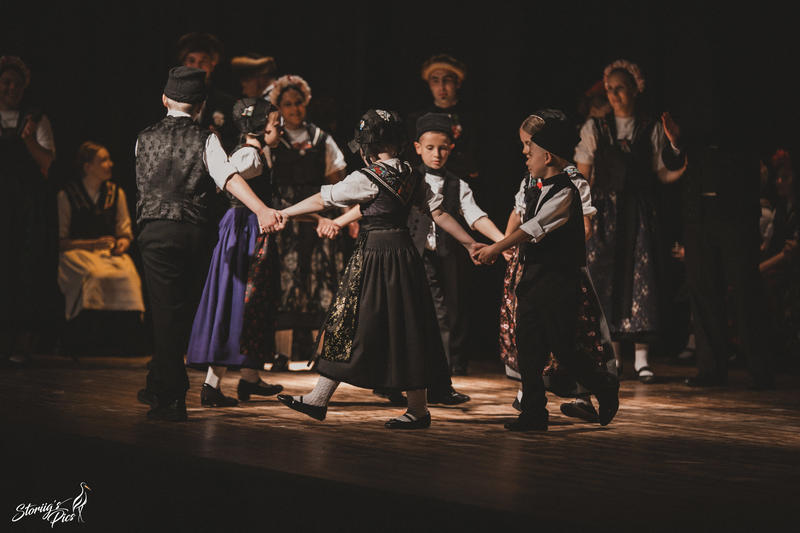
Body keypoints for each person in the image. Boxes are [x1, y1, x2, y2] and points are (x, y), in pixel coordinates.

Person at [276, 109, 485, 429]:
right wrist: (470, 243)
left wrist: (284, 213)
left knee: (349, 323)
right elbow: (439, 214)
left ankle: (320, 399)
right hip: (405, 259)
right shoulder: (412, 175)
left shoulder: (367, 177)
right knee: (409, 329)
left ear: (367, 146)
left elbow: (324, 198)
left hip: (375, 257)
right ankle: (417, 410)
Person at [135, 66, 284, 422]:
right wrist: (262, 207)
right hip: (192, 231)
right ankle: (164, 387)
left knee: (166, 311)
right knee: (179, 312)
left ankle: (166, 390)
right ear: (201, 105)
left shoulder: (143, 137)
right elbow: (228, 177)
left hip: (154, 229)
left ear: (164, 99)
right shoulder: (205, 138)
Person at [475, 109, 620, 431]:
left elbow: (532, 228)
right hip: (533, 276)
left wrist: (496, 249)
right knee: (529, 345)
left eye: (531, 149)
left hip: (559, 280)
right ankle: (534, 413)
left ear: (549, 156)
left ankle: (603, 385)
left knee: (564, 347)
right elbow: (521, 217)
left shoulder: (566, 191)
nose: (525, 153)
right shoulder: (533, 184)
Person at [574, 59, 685, 384]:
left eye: (620, 88)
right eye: (609, 89)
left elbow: (661, 173)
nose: (614, 94)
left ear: (636, 89)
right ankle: (613, 358)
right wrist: (585, 216)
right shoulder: (595, 128)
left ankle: (642, 359)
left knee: (640, 281)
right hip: (604, 214)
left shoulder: (650, 128)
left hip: (637, 214)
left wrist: (684, 161)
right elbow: (583, 178)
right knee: (605, 282)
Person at [186, 98, 285, 407]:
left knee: (255, 301)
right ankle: (212, 385)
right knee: (237, 300)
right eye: (275, 124)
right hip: (243, 230)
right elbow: (223, 181)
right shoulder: (249, 156)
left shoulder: (259, 154)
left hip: (249, 228)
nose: (280, 128)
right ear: (260, 127)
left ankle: (250, 377)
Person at [408, 112, 505, 381]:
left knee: (454, 309)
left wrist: (502, 241)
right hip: (415, 255)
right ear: (418, 148)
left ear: (451, 148)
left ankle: (453, 364)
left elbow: (476, 216)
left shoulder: (457, 184)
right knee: (422, 309)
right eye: (430, 148)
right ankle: (422, 364)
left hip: (449, 254)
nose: (437, 154)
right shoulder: (409, 179)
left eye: (443, 148)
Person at [267, 74, 350, 363]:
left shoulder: (321, 139)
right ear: (279, 107)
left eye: (298, 103)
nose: (294, 109)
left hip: (320, 219)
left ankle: (321, 353)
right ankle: (282, 353)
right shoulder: (274, 140)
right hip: (286, 219)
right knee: (287, 281)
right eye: (287, 104)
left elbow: (337, 181)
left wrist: (346, 218)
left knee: (322, 281)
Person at [57, 142, 145, 347]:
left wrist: (122, 244)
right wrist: (92, 244)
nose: (110, 164)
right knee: (94, 276)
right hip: (76, 252)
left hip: (107, 254)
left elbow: (124, 231)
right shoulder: (67, 195)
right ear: (87, 167)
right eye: (103, 160)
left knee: (128, 275)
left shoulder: (116, 193)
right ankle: (86, 338)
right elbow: (60, 241)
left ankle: (121, 340)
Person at [0, 55, 55, 367]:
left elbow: (48, 163)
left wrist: (29, 140)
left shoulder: (36, 119)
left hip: (26, 210)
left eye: (17, 84)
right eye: (6, 82)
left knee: (24, 273)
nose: (11, 88)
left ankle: (22, 343)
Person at [407, 54, 479, 181]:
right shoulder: (417, 119)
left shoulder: (471, 119)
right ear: (429, 84)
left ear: (457, 83)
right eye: (435, 80)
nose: (442, 86)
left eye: (447, 80)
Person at [177, 32, 238, 152]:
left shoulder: (228, 103)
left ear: (213, 63)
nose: (197, 67)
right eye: (191, 60)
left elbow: (236, 141)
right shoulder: (172, 100)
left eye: (203, 61)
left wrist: (221, 141)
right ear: (184, 64)